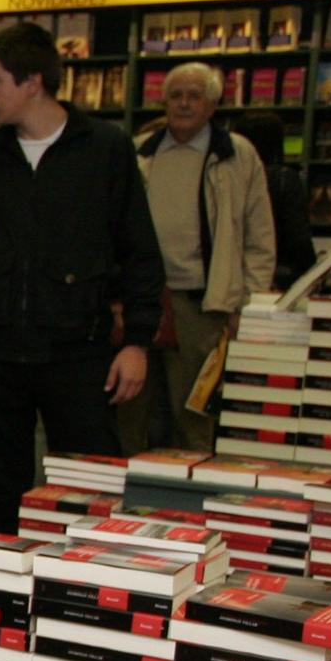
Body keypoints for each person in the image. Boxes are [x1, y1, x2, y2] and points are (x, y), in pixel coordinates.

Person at [0, 21, 163, 533]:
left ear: (33, 81)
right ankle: (3, 594)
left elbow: (140, 252)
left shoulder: (105, 149)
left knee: (91, 485)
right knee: (2, 489)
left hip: (77, 349)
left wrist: (139, 342)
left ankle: (91, 590)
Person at [121, 61, 273, 453]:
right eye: (176, 95)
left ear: (212, 106)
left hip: (203, 307)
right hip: (142, 302)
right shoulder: (138, 154)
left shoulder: (237, 156)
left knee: (193, 417)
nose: (184, 104)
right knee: (128, 414)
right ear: (163, 101)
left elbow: (260, 237)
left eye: (195, 96)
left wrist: (247, 304)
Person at [232, 111, 316, 292]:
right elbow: (298, 236)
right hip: (277, 275)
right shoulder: (284, 178)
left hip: (232, 272)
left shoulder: (229, 175)